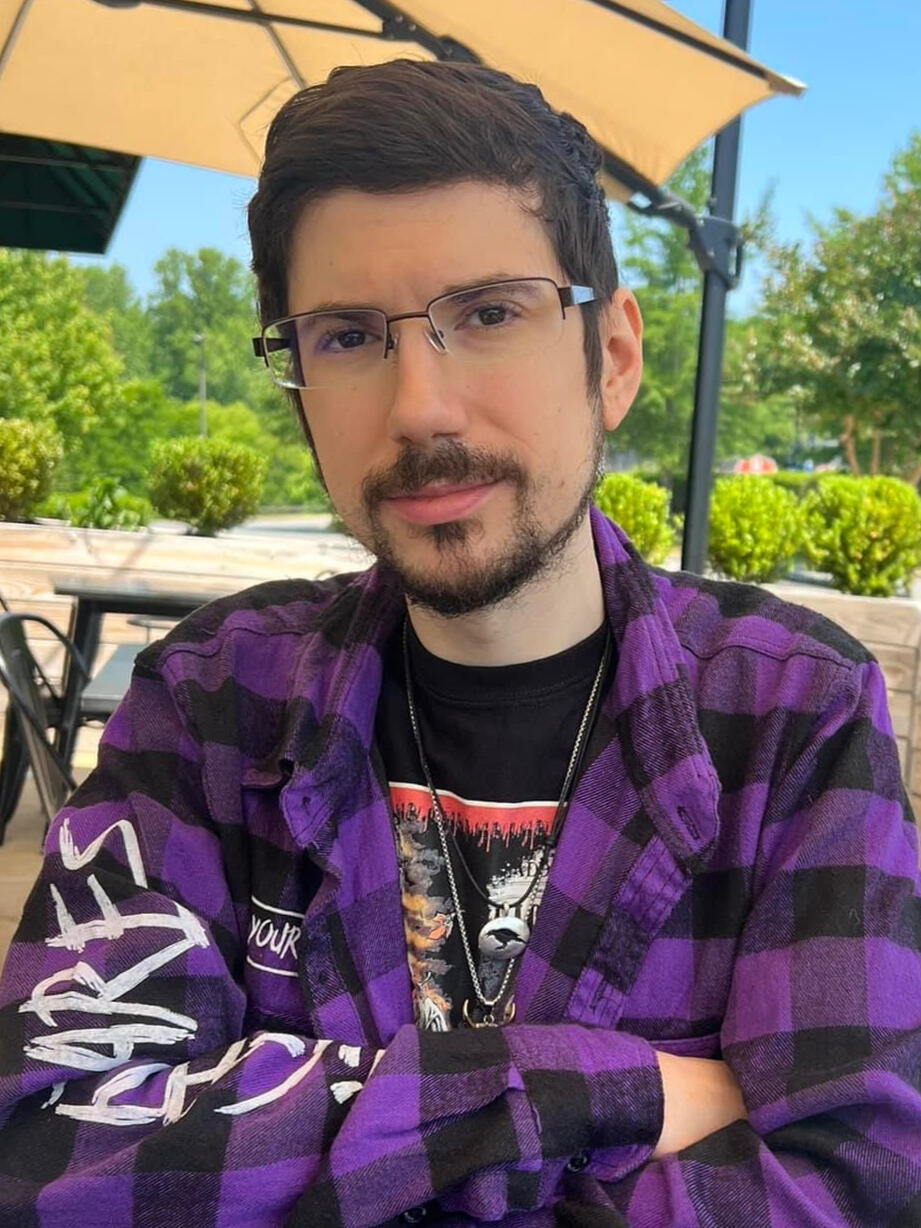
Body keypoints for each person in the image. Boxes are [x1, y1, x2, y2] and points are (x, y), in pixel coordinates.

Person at [1, 59, 920, 1228]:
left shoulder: (792, 718)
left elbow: (854, 1186)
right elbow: (47, 1143)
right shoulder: (212, 700)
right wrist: (591, 1093)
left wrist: (297, 1147)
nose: (420, 405)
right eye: (346, 336)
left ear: (615, 357)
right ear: (298, 389)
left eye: (489, 313)